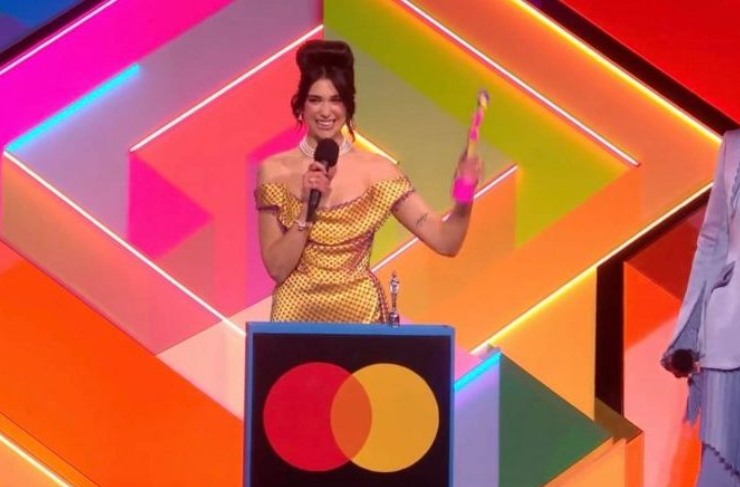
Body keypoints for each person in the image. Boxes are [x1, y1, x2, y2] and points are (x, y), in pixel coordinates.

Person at [255, 39, 482, 324]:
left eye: (336, 99)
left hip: (361, 322)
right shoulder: (274, 171)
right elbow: (277, 268)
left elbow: (446, 242)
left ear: (349, 106)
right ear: (301, 104)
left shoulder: (378, 172)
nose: (325, 111)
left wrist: (464, 197)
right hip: (294, 322)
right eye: (315, 100)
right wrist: (306, 210)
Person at [663, 129, 740, 486]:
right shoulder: (734, 146)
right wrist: (688, 335)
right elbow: (713, 240)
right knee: (721, 471)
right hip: (729, 337)